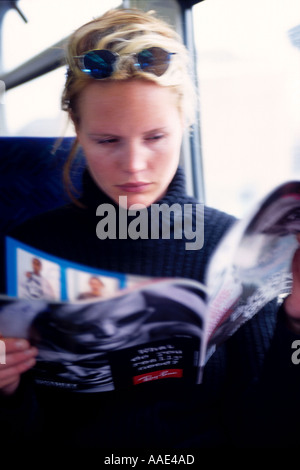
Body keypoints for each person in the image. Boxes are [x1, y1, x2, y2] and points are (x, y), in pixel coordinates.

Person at [0, 7, 300, 449]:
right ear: (77, 131)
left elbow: (266, 433)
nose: (135, 165)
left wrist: (294, 327)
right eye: (107, 141)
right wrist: (5, 391)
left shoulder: (235, 249)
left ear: (185, 125)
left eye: (156, 137)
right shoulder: (27, 252)